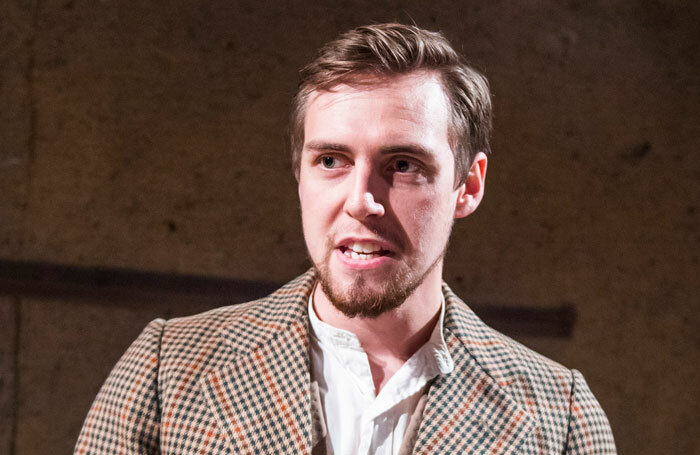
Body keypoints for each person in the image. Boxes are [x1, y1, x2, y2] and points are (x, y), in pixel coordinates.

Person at [75, 23, 616, 454]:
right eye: (331, 160)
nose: (361, 199)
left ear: (467, 186)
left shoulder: (559, 419)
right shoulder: (168, 371)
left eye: (402, 165)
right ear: (300, 173)